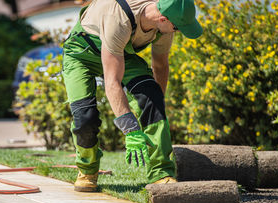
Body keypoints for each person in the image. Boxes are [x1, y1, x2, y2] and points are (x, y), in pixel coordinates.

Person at [62, 0, 203, 192]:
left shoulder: (162, 27)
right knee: (85, 117)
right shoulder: (118, 19)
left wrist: (154, 107)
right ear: (163, 18)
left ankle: (161, 172)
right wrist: (131, 129)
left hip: (121, 54)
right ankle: (87, 169)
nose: (177, 31)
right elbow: (112, 82)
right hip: (81, 54)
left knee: (152, 98)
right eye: (177, 27)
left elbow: (160, 65)